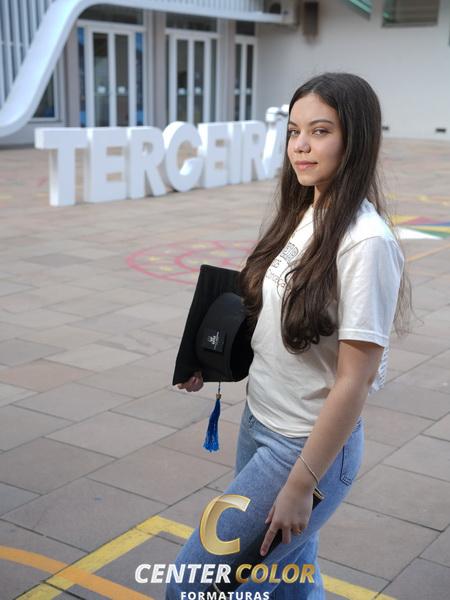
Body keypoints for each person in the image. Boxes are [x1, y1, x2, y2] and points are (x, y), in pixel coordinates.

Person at [166, 72, 411, 599]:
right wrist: (210, 359)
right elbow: (273, 317)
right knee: (289, 581)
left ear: (355, 140)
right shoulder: (308, 209)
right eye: (294, 131)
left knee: (191, 585)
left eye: (319, 131)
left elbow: (355, 381)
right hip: (260, 421)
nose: (300, 145)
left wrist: (302, 484)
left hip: (302, 446)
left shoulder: (365, 242)